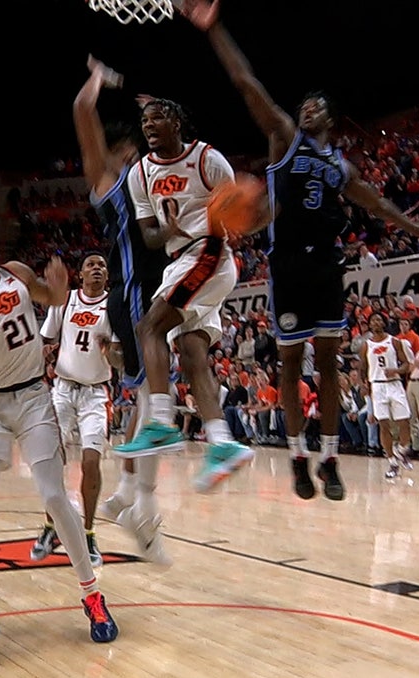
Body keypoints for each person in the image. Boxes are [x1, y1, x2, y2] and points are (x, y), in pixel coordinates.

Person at [180, 0, 419, 499]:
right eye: (304, 105)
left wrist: (417, 228)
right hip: (288, 265)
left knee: (328, 364)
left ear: (331, 119)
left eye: (316, 107)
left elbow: (377, 202)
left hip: (326, 264)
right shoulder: (284, 138)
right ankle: (298, 457)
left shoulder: (341, 167)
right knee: (290, 363)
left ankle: (330, 460)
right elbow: (246, 83)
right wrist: (214, 30)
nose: (306, 109)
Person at [0, 225, 118, 667]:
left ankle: (92, 595)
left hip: (35, 397)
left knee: (55, 496)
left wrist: (57, 288)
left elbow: (51, 298)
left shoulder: (15, 271)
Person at [111, 88, 255, 492]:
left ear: (176, 123)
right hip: (179, 259)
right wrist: (168, 230)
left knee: (149, 327)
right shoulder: (140, 174)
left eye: (157, 118)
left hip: (208, 253)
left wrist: (242, 215)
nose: (148, 125)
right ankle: (223, 444)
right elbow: (149, 236)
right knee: (192, 354)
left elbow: (237, 212)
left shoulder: (207, 159)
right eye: (145, 121)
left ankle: (160, 421)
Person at [71, 55, 172, 566]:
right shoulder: (106, 179)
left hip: (157, 287)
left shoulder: (146, 179)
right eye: (130, 151)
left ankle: (126, 496)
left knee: (150, 400)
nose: (137, 157)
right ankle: (138, 508)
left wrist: (158, 111)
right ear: (115, 153)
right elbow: (81, 111)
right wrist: (98, 79)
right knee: (156, 400)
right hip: (134, 290)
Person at [32, 253, 114, 568]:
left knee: (91, 463)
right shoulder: (65, 302)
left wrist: (112, 352)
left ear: (107, 276)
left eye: (102, 265)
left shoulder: (113, 307)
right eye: (91, 265)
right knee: (53, 459)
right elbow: (45, 339)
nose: (97, 268)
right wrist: (44, 352)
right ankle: (50, 526)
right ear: (80, 274)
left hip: (95, 393)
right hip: (63, 389)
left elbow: (121, 360)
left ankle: (88, 534)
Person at [360, 312, 415, 479]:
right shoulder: (366, 345)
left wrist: (396, 370)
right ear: (369, 325)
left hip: (394, 384)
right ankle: (392, 462)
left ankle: (402, 450)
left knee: (404, 421)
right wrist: (363, 385)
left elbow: (406, 365)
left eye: (379, 319)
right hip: (377, 386)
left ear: (384, 323)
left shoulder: (394, 341)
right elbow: (363, 368)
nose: (376, 322)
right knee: (383, 425)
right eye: (373, 320)